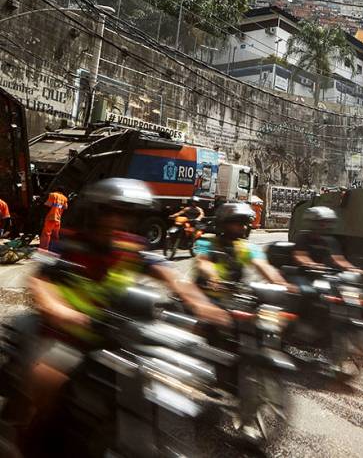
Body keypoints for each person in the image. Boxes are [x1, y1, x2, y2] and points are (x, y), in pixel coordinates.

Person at [10, 179, 228, 451]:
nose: (118, 219)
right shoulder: (71, 243)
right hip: (66, 335)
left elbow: (169, 275)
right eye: (112, 211)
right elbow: (40, 281)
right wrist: (59, 310)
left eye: (126, 213)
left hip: (115, 337)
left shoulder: (130, 246)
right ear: (97, 212)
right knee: (47, 381)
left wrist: (200, 303)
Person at [193, 202, 289, 289]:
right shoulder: (207, 243)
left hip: (233, 299)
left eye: (245, 223)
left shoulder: (246, 248)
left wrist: (282, 284)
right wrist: (213, 278)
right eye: (239, 223)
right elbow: (203, 262)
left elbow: (263, 265)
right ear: (224, 224)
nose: (244, 227)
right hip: (203, 297)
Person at [290, 206, 363, 274]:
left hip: (323, 274)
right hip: (303, 273)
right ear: (312, 222)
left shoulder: (331, 241)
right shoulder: (302, 238)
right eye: (322, 222)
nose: (325, 225)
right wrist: (311, 264)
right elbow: (301, 255)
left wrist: (353, 269)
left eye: (328, 222)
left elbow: (339, 259)